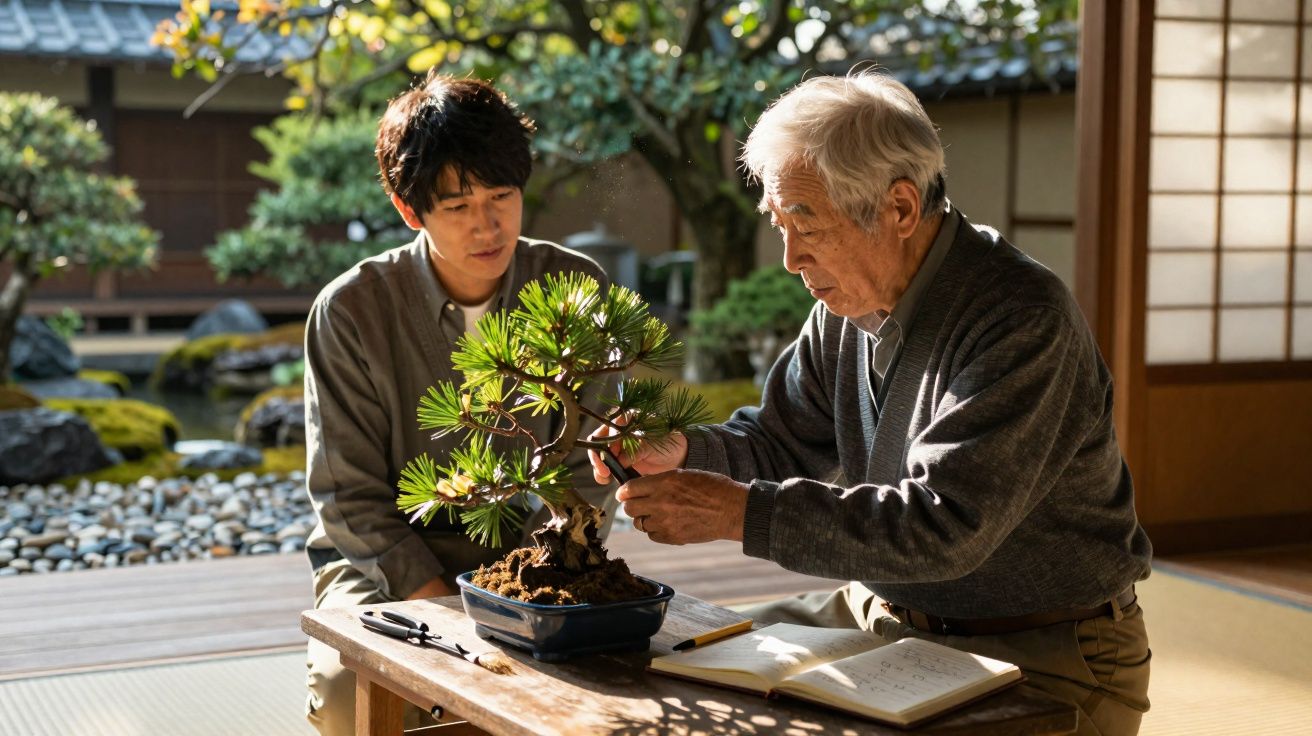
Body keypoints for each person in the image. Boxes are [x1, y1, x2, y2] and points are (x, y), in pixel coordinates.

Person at [592, 72, 1152, 736]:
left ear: (901, 208)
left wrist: (735, 513)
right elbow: (780, 440)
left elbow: (942, 530)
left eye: (806, 222)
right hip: (881, 612)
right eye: (779, 223)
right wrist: (684, 450)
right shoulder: (845, 306)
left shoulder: (1020, 318)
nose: (790, 258)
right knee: (661, 663)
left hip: (1039, 650)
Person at [303, 72, 616, 736]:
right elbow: (348, 496)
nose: (488, 224)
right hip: (384, 565)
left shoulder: (574, 287)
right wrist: (449, 612)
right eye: (459, 206)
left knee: (604, 684)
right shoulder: (353, 310)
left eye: (503, 196)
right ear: (408, 209)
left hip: (534, 555)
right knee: (346, 697)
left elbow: (593, 467)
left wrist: (525, 590)